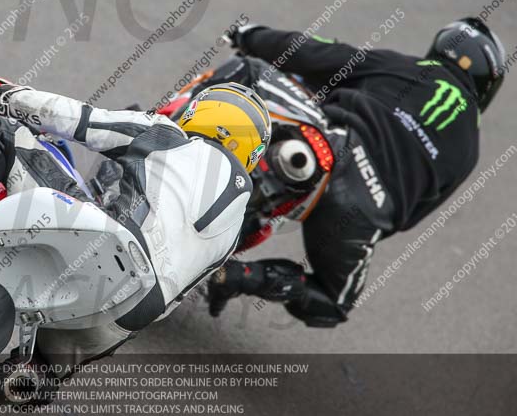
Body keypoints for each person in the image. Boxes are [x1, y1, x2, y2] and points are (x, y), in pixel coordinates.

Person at [0, 76, 271, 374]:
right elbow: (178, 298)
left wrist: (3, 95)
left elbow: (76, 119)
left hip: (106, 244)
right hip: (128, 313)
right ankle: (37, 375)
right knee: (37, 370)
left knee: (3, 133)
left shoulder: (170, 136)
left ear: (202, 113)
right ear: (251, 150)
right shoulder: (234, 230)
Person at [205, 17, 506, 327]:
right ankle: (242, 276)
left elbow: (316, 54)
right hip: (364, 211)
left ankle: (163, 129)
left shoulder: (404, 65)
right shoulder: (470, 152)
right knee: (333, 302)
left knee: (248, 70)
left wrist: (250, 35)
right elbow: (411, 217)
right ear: (488, 87)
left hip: (332, 149)